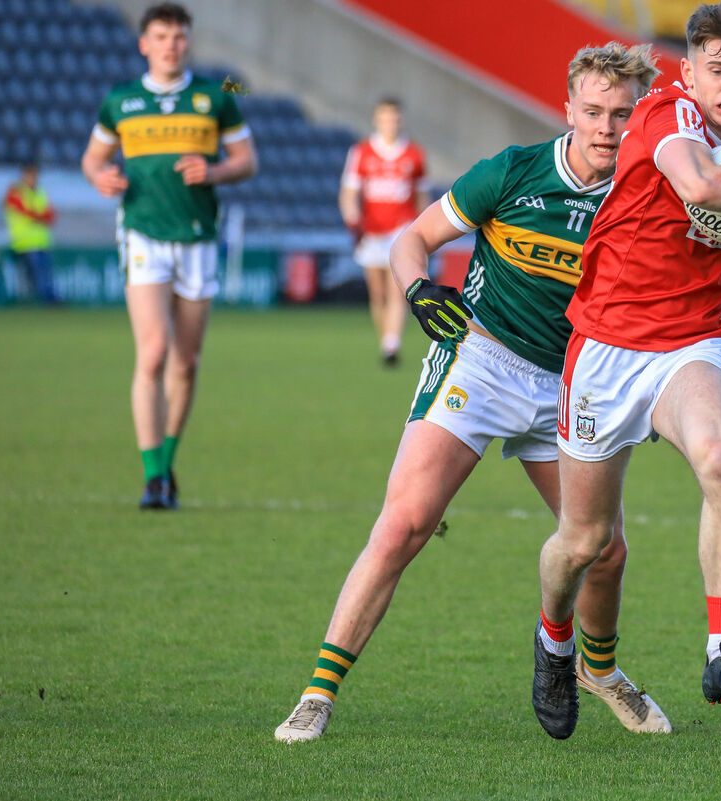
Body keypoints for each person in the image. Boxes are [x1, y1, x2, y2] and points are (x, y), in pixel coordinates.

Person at [274, 42, 667, 744]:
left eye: (623, 114)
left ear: (641, 118)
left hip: (571, 383)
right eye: (596, 111)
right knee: (403, 525)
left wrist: (654, 384)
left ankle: (599, 671)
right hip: (479, 361)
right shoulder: (512, 172)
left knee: (604, 549)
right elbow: (411, 238)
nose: (608, 127)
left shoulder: (644, 197)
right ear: (569, 108)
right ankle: (317, 694)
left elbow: (657, 307)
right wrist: (420, 289)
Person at [531, 2, 721, 741]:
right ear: (689, 71)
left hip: (691, 340)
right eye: (719, 69)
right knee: (584, 541)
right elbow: (703, 189)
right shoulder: (663, 115)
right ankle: (555, 640)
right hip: (607, 348)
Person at [81, 1, 257, 509]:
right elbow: (93, 160)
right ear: (144, 44)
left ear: (188, 41)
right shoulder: (121, 101)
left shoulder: (216, 95)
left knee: (185, 362)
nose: (171, 45)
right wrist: (102, 178)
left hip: (199, 236)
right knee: (153, 352)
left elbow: (247, 161)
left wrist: (216, 171)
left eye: (179, 36)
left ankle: (169, 461)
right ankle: (152, 477)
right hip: (143, 234)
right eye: (161, 36)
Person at [339, 97, 428, 366]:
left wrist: (421, 231)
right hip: (371, 231)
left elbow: (422, 197)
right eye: (385, 118)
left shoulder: (413, 154)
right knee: (377, 294)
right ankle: (386, 339)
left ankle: (392, 344)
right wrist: (351, 217)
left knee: (396, 289)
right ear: (377, 120)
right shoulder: (362, 152)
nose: (390, 123)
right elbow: (348, 192)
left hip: (399, 230)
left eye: (395, 118)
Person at [2, 161, 59, 304]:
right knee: (33, 276)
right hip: (24, 243)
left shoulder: (40, 192)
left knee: (44, 274)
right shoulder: (15, 192)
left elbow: (51, 215)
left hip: (41, 242)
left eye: (35, 175)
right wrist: (40, 216)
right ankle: (39, 301)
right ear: (23, 175)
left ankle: (49, 300)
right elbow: (27, 212)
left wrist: (39, 216)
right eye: (30, 175)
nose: (33, 178)